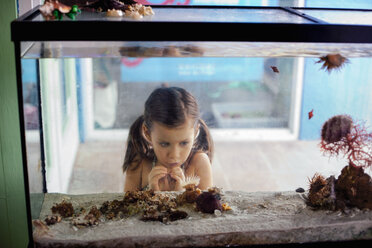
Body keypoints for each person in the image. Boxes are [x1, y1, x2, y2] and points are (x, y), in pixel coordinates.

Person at [123, 87, 214, 191]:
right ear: (148, 133)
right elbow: (126, 205)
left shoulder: (199, 163)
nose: (174, 155)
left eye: (184, 143)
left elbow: (209, 205)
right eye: (164, 144)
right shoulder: (138, 164)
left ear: (195, 132)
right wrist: (152, 193)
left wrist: (181, 195)